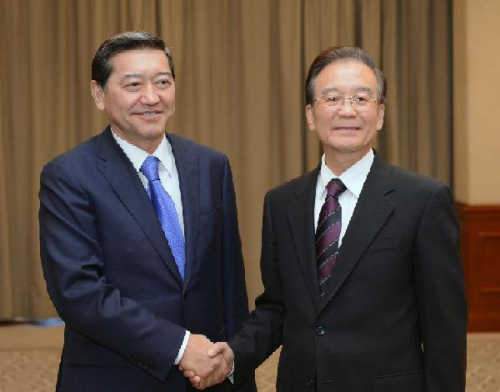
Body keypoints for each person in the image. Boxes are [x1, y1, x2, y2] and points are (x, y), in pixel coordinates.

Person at [192, 46, 467, 391]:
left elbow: (445, 334)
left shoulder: (423, 201)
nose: (347, 110)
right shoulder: (281, 203)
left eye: (362, 99)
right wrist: (232, 356)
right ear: (310, 114)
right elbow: (278, 308)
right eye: (332, 98)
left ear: (380, 114)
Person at [39, 31, 256, 392]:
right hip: (114, 378)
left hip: (209, 379)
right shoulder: (69, 175)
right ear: (98, 94)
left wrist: (235, 368)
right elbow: (78, 291)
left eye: (162, 82)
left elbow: (230, 284)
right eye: (133, 84)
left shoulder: (211, 165)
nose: (151, 97)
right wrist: (180, 347)